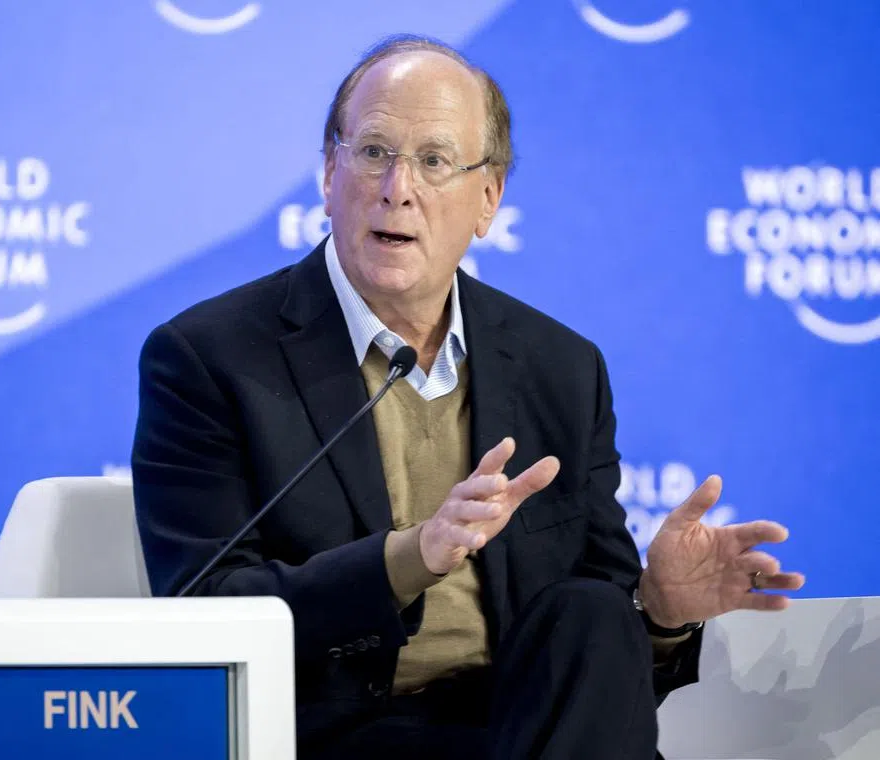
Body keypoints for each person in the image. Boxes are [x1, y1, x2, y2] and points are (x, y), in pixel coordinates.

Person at [131, 35, 804, 760]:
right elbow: (204, 613)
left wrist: (661, 609)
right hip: (346, 734)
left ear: (488, 200)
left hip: (530, 729)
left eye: (434, 161)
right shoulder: (212, 358)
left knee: (592, 610)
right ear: (329, 172)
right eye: (374, 152)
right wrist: (411, 557)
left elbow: (600, 660)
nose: (398, 188)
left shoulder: (561, 369)